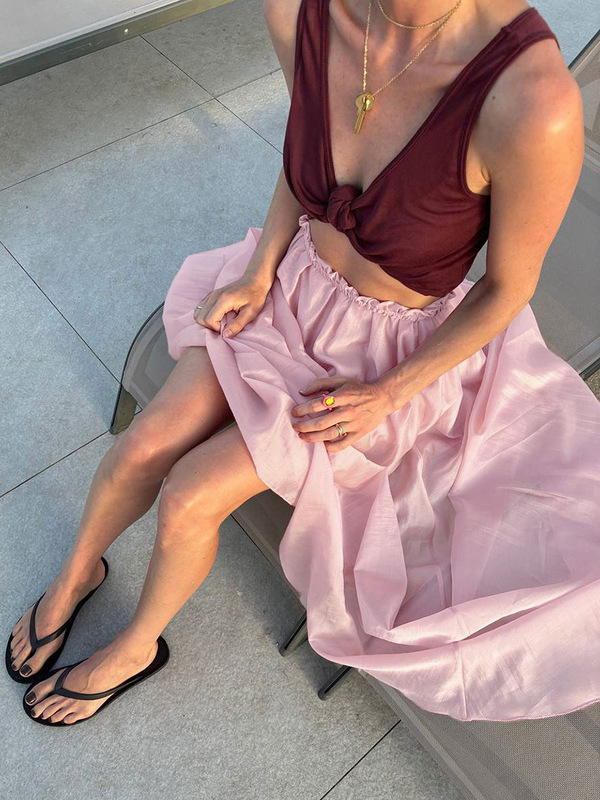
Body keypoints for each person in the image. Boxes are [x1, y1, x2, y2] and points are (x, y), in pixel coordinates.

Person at [8, 0, 599, 726]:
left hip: (386, 360)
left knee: (190, 493)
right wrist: (261, 266)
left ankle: (136, 647)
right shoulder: (302, 8)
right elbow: (304, 150)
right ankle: (76, 577)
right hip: (293, 288)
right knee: (144, 446)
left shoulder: (531, 100)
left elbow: (508, 287)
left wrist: (389, 393)